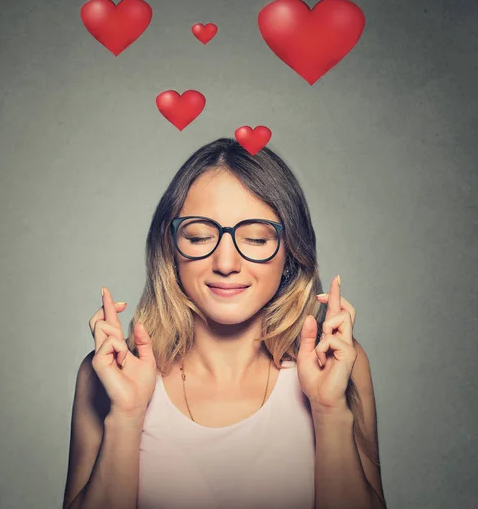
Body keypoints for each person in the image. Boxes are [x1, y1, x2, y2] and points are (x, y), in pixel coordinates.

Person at [62, 137, 387, 509]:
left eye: (256, 238)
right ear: (169, 247)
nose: (226, 263)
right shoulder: (109, 375)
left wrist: (329, 412)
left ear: (291, 250)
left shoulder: (338, 365)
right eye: (200, 237)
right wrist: (125, 415)